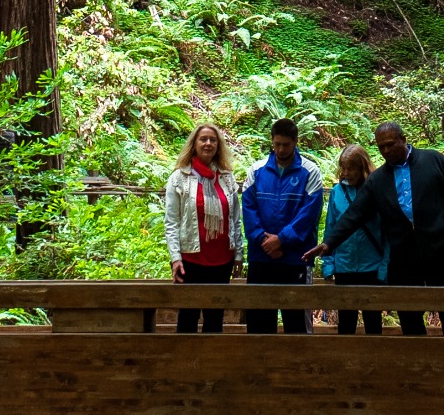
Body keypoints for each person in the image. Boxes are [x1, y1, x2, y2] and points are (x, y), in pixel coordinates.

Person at [362, 120, 444, 336]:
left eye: (391, 144)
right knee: (409, 316)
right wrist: (328, 243)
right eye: (381, 147)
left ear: (403, 139)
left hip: (442, 252)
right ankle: (418, 365)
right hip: (404, 258)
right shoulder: (378, 180)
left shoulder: (432, 160)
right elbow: (355, 214)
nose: (386, 150)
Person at [240, 118, 324, 335]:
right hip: (261, 258)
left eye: (285, 144)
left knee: (296, 324)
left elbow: (309, 214)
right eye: (277, 144)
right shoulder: (256, 171)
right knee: (259, 323)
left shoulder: (310, 172)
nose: (280, 149)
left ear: (296, 142)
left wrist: (282, 240)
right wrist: (262, 239)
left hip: (295, 259)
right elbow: (248, 210)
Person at [163, 124, 239, 333]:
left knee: (215, 318)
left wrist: (239, 252)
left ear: (218, 145)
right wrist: (175, 257)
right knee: (188, 316)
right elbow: (171, 221)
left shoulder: (226, 177)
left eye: (212, 140)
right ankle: (185, 363)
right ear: (194, 144)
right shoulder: (179, 178)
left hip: (222, 259)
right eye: (203, 139)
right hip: (192, 259)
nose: (208, 144)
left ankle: (212, 363)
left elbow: (235, 219)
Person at [317, 143, 389, 334]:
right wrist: (329, 264)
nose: (346, 173)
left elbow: (388, 233)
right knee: (346, 322)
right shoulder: (337, 193)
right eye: (344, 168)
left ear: (362, 167)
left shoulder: (377, 191)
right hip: (344, 266)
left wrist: (384, 268)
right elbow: (331, 229)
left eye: (351, 168)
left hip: (371, 266)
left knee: (373, 322)